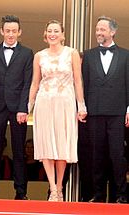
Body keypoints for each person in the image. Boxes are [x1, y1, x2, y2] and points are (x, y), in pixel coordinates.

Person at [28, 20, 87, 202]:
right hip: (45, 102)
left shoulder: (72, 53)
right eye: (49, 31)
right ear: (45, 35)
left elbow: (78, 81)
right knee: (46, 145)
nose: (53, 34)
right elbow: (35, 82)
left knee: (61, 145)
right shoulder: (39, 56)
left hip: (65, 103)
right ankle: (52, 189)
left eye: (56, 31)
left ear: (62, 34)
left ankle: (60, 186)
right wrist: (28, 105)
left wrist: (81, 105)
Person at [0, 15, 33, 200]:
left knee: (19, 150)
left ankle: (21, 192)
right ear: (1, 31)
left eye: (14, 31)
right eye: (7, 30)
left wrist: (23, 108)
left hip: (18, 107)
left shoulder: (27, 53)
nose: (11, 34)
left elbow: (28, 83)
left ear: (19, 32)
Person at [82, 16, 129, 204]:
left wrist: (128, 110)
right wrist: (82, 108)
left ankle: (121, 195)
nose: (98, 33)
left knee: (117, 155)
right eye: (97, 29)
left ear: (112, 31)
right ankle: (98, 194)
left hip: (117, 113)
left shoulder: (126, 55)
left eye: (102, 29)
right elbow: (84, 84)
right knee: (96, 154)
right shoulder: (89, 55)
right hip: (95, 112)